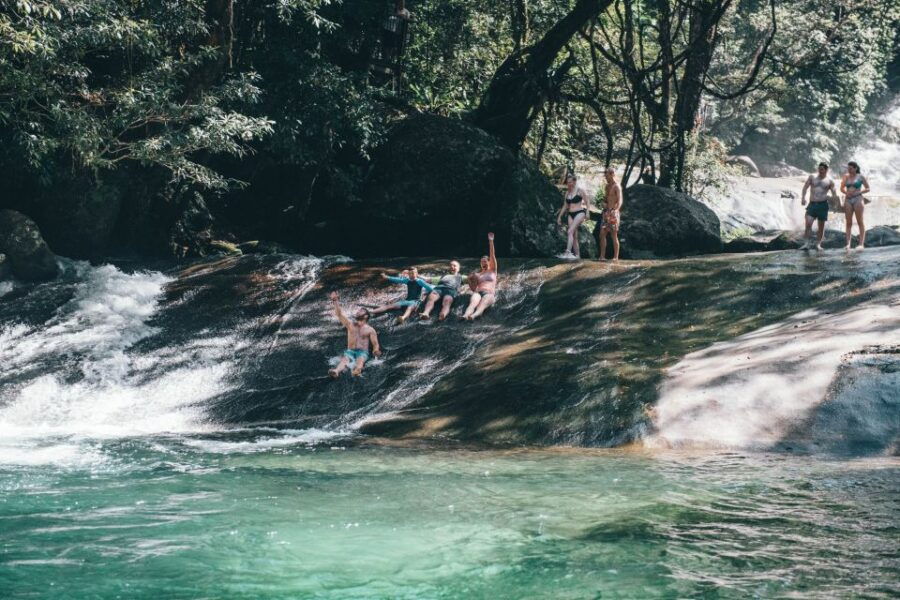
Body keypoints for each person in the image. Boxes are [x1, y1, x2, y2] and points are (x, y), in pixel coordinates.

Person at [328, 291, 382, 378]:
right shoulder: (350, 324)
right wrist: (335, 300)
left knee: (360, 360)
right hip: (350, 351)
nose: (357, 312)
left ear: (365, 316)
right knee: (345, 360)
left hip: (362, 352)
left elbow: (375, 344)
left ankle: (357, 370)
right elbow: (339, 314)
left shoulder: (370, 330)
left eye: (360, 311)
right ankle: (336, 371)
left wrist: (375, 350)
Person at [800, 162, 839, 251]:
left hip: (823, 205)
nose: (820, 171)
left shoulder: (829, 181)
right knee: (808, 224)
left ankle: (818, 244)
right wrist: (803, 198)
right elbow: (805, 187)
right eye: (819, 169)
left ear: (826, 170)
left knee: (821, 226)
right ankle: (806, 243)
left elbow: (834, 194)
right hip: (812, 204)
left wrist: (836, 205)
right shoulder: (812, 177)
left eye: (822, 169)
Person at [463, 233, 498, 321]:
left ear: (489, 262)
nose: (483, 263)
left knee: (482, 305)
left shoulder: (493, 270)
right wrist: (469, 280)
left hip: (489, 293)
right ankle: (465, 315)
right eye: (482, 262)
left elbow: (492, 254)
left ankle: (474, 316)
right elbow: (473, 288)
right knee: (472, 304)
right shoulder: (478, 274)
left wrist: (491, 241)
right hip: (478, 292)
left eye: (485, 261)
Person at [556, 173, 592, 259]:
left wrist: (587, 212)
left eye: (571, 182)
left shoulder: (580, 191)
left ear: (575, 182)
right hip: (570, 214)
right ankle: (577, 256)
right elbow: (565, 205)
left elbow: (587, 202)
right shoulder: (567, 192)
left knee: (570, 231)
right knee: (574, 235)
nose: (569, 184)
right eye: (568, 182)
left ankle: (567, 252)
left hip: (579, 213)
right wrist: (559, 216)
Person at [840, 161, 870, 250]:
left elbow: (868, 188)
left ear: (855, 168)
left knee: (860, 221)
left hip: (858, 199)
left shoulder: (860, 177)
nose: (849, 170)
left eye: (850, 168)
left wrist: (859, 192)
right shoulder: (846, 176)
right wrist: (846, 192)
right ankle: (848, 244)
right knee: (848, 222)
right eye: (848, 168)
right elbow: (841, 188)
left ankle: (861, 244)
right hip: (848, 199)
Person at [597, 167, 623, 261]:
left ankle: (615, 257)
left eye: (607, 175)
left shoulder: (617, 186)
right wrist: (603, 203)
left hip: (613, 212)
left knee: (613, 235)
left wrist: (616, 210)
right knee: (602, 234)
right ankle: (602, 256)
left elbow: (620, 200)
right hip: (606, 212)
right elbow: (605, 199)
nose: (605, 177)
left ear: (612, 174)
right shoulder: (607, 186)